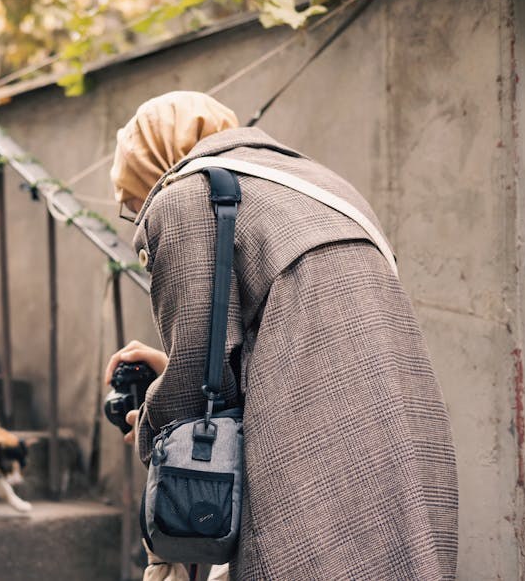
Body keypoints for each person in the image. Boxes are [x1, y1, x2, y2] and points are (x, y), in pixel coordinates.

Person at [104, 91, 458, 580]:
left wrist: (148, 417)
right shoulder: (326, 188)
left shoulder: (188, 194)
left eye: (132, 201)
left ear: (154, 162)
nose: (140, 214)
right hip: (405, 443)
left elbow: (192, 385)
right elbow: (304, 335)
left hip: (304, 461)